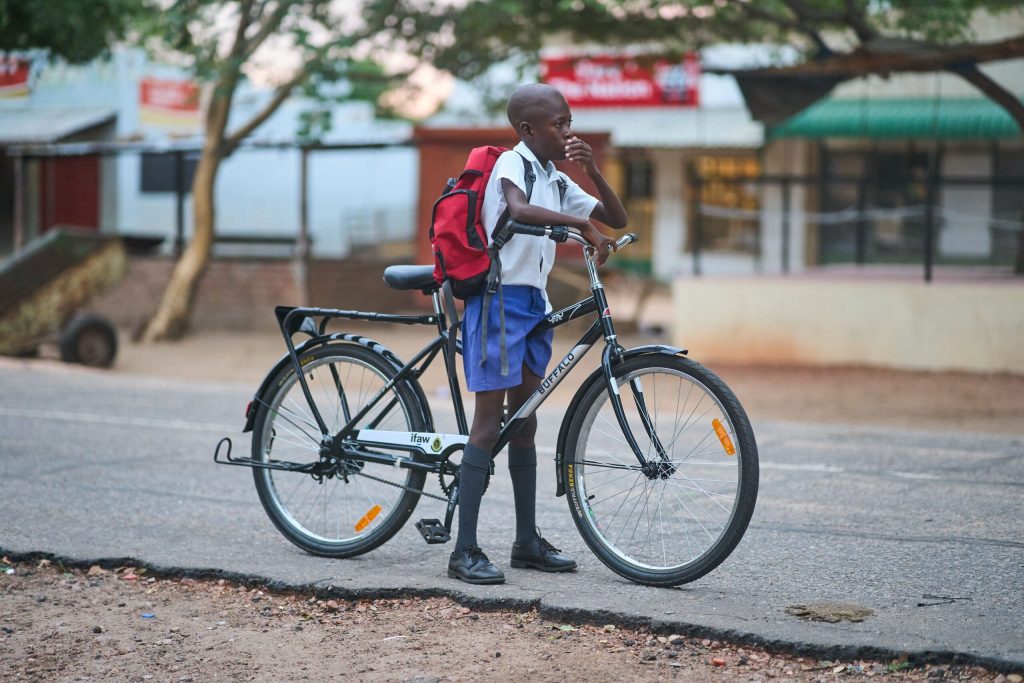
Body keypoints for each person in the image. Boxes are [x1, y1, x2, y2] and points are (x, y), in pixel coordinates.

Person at [448, 83, 628, 584]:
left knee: (524, 423)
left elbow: (616, 218)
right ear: (528, 130)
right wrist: (580, 229)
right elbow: (518, 211)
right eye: (559, 124)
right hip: (497, 302)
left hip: (532, 304)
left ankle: (525, 543)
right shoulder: (513, 165)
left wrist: (591, 171)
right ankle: (463, 550)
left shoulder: (554, 176)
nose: (568, 131)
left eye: (570, 122)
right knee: (488, 426)